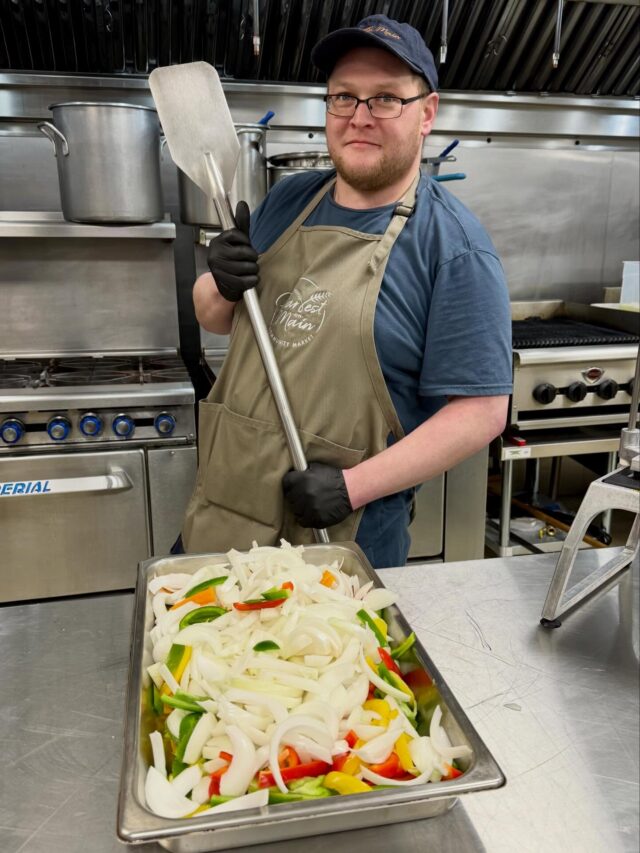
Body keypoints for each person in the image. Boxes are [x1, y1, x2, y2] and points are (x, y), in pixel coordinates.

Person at [180, 14, 513, 568]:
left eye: (385, 99)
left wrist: (353, 486)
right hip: (224, 513)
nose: (359, 118)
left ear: (427, 113)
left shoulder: (453, 248)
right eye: (343, 98)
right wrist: (221, 280)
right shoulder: (288, 201)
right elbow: (217, 318)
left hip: (338, 535)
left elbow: (482, 411)